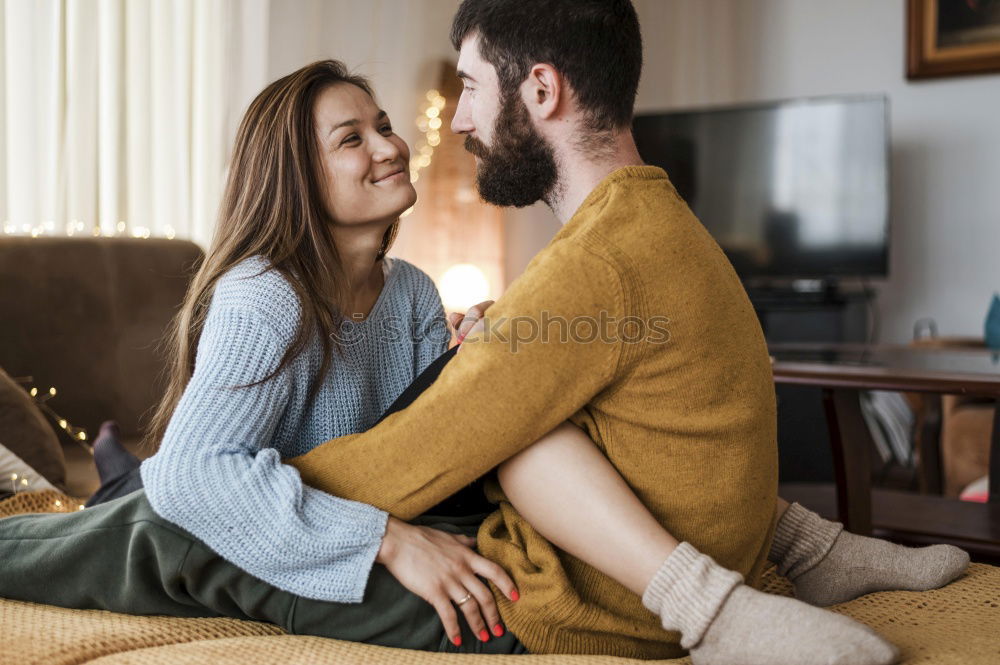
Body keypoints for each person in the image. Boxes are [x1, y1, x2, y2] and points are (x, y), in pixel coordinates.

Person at [0, 4, 967, 665]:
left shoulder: (420, 291)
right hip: (227, 505)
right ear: (299, 178)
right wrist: (388, 538)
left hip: (315, 505)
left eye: (436, 101)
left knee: (528, 398)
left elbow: (464, 441)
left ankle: (788, 543)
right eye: (355, 137)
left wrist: (484, 367)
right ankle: (75, 492)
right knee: (118, 522)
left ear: (538, 91)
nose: (419, 133)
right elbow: (200, 478)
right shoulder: (265, 299)